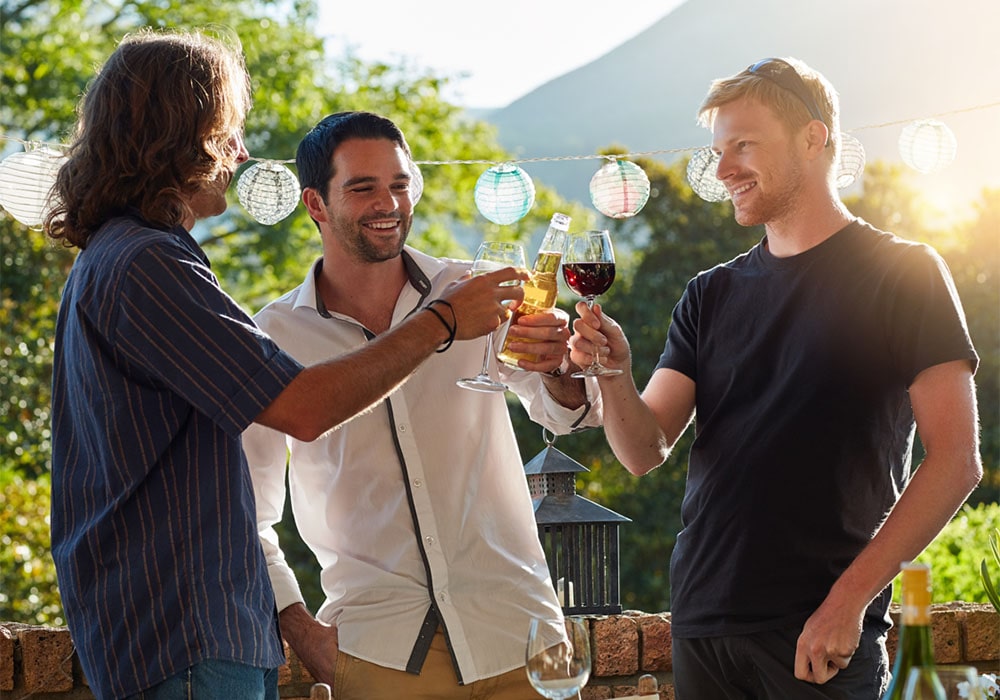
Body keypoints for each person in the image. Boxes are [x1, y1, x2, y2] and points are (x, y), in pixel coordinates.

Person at [44, 31, 523, 700]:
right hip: (185, 639)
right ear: (179, 137)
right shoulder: (146, 264)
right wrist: (444, 322)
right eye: (227, 131)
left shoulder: (117, 258)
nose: (239, 154)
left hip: (180, 638)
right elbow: (303, 406)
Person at [569, 57, 982, 699]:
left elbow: (956, 461)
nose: (724, 168)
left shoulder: (906, 273)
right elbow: (643, 450)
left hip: (816, 634)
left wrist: (848, 602)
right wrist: (615, 374)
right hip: (702, 623)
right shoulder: (710, 293)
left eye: (744, 145)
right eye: (718, 149)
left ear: (813, 139)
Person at [241, 111, 602, 700]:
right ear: (314, 204)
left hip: (521, 633)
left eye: (400, 184)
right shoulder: (276, 335)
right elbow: (246, 509)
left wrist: (560, 366)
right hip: (380, 651)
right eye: (363, 187)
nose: (389, 202)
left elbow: (563, 413)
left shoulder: (474, 289)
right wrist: (299, 627)